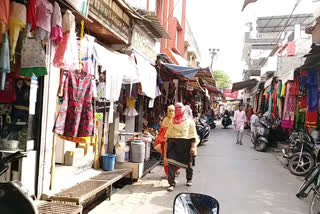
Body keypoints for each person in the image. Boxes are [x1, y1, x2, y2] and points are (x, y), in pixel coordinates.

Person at [165, 103, 198, 192]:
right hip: (173, 146)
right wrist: (166, 148)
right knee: (171, 164)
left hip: (186, 145)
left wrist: (193, 147)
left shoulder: (189, 121)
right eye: (176, 108)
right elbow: (168, 135)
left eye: (180, 107)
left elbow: (193, 135)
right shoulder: (172, 120)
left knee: (189, 165)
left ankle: (189, 179)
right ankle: (171, 183)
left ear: (183, 108)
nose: (177, 109)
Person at [154, 105, 175, 176]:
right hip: (165, 141)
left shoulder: (176, 119)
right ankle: (168, 174)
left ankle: (174, 171)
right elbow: (161, 130)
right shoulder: (165, 119)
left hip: (174, 141)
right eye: (170, 111)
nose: (171, 112)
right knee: (165, 157)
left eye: (173, 110)